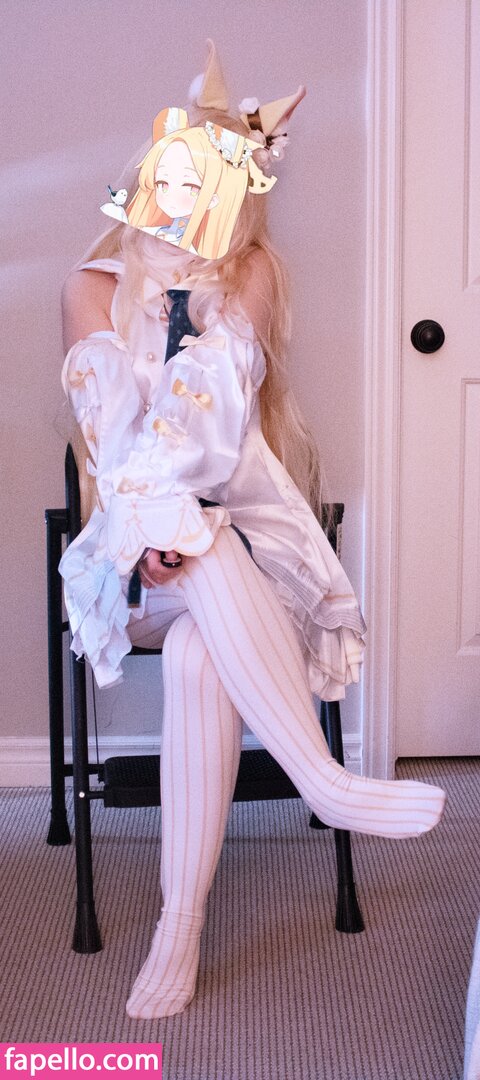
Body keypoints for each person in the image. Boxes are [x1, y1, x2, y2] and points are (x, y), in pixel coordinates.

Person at [59, 43, 446, 1020]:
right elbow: (115, 443)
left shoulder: (253, 274)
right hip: (133, 565)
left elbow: (216, 424)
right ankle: (324, 780)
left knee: (200, 648)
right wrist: (150, 528)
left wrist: (184, 521)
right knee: (183, 540)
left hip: (235, 562)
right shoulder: (90, 288)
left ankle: (178, 926)